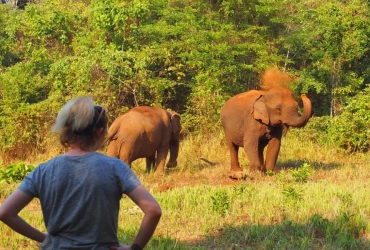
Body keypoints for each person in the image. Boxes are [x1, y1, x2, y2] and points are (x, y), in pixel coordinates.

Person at [0, 96, 162, 250]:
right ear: (99, 132)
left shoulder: (43, 170)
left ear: (68, 130)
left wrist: (45, 238)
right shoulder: (115, 167)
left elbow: (5, 212)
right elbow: (153, 210)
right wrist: (135, 247)